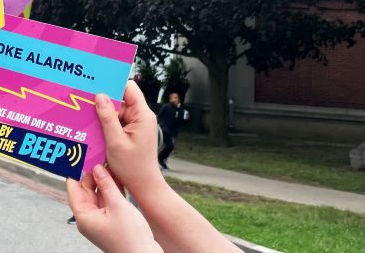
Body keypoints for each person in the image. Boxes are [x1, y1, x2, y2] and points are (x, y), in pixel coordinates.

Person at [67, 81, 242, 253]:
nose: (174, 100)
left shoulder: (178, 109)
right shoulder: (166, 108)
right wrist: (147, 183)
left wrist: (133, 248)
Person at [157, 92, 190, 170]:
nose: (176, 99)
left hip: (173, 132)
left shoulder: (181, 110)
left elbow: (182, 121)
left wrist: (186, 119)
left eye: (177, 98)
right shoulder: (166, 107)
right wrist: (161, 126)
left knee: (169, 147)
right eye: (174, 98)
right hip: (165, 130)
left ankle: (163, 161)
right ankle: (160, 159)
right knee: (169, 146)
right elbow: (159, 117)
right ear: (170, 99)